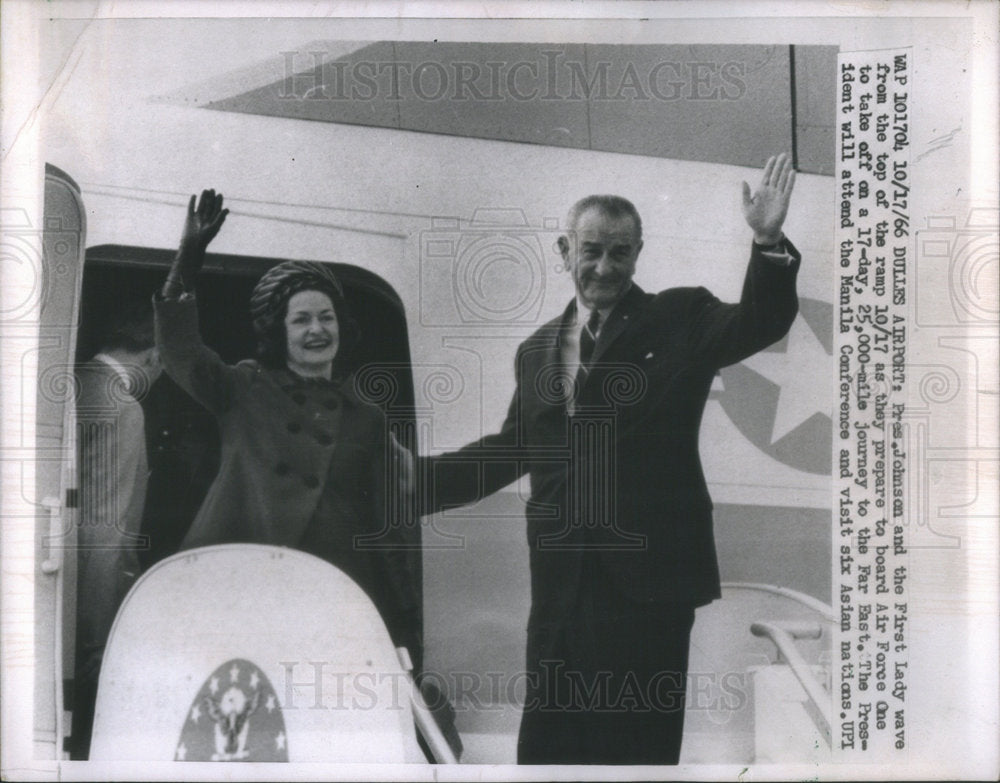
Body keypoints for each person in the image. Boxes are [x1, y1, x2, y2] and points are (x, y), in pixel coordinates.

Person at [420, 154, 800, 764]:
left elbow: (761, 320)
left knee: (636, 756)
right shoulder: (537, 349)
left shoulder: (680, 317)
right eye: (590, 250)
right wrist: (409, 483)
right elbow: (514, 448)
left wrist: (767, 240)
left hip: (648, 590)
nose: (604, 266)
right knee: (546, 754)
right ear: (564, 251)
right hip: (561, 587)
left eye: (620, 253)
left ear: (638, 253)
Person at [153, 190, 422, 665]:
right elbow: (181, 352)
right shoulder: (244, 388)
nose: (316, 329)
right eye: (301, 320)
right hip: (242, 593)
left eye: (326, 317)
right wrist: (188, 257)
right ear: (280, 331)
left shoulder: (367, 418)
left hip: (333, 599)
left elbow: (385, 530)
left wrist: (400, 627)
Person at [72, 300, 162, 759]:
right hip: (87, 610)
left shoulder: (71, 383)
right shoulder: (122, 406)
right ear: (153, 357)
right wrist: (96, 640)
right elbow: (107, 531)